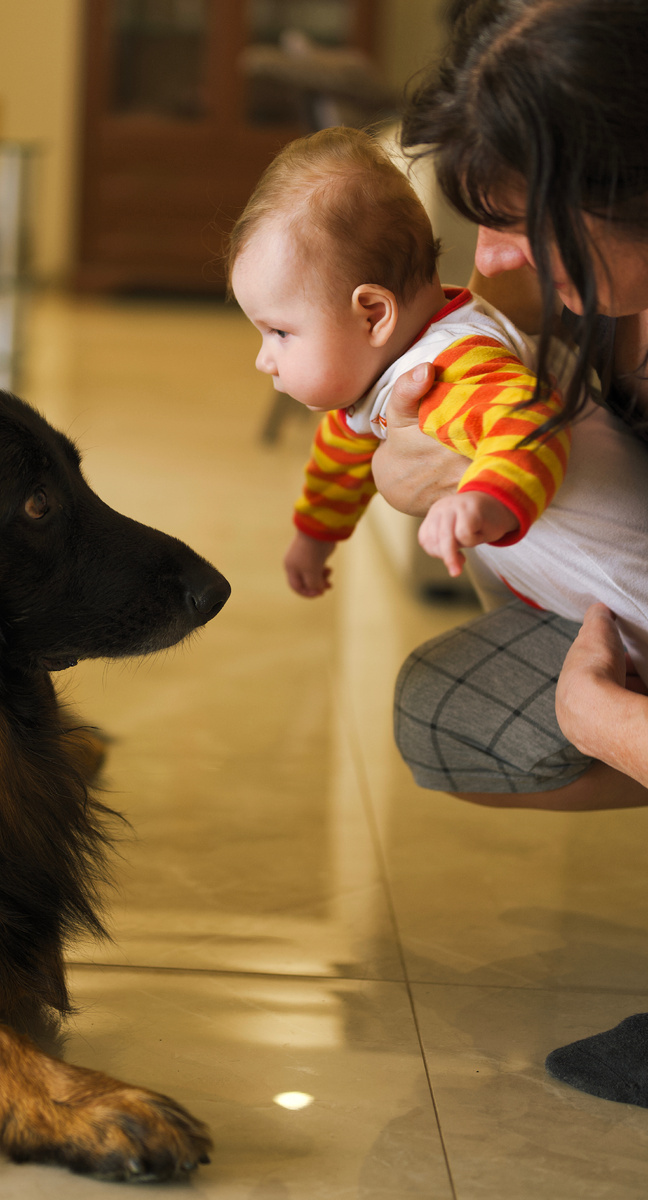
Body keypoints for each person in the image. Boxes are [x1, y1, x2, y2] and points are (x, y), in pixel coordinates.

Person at [375, 0, 648, 1108]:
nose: (488, 259)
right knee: (454, 715)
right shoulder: (613, 315)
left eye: (515, 218)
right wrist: (433, 474)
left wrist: (612, 723)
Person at [228, 127, 648, 681]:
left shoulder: (452, 368)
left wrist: (483, 501)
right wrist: (314, 536)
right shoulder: (384, 372)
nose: (265, 358)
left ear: (374, 314)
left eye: (279, 332)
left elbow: (532, 424)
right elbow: (344, 447)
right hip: (602, 615)